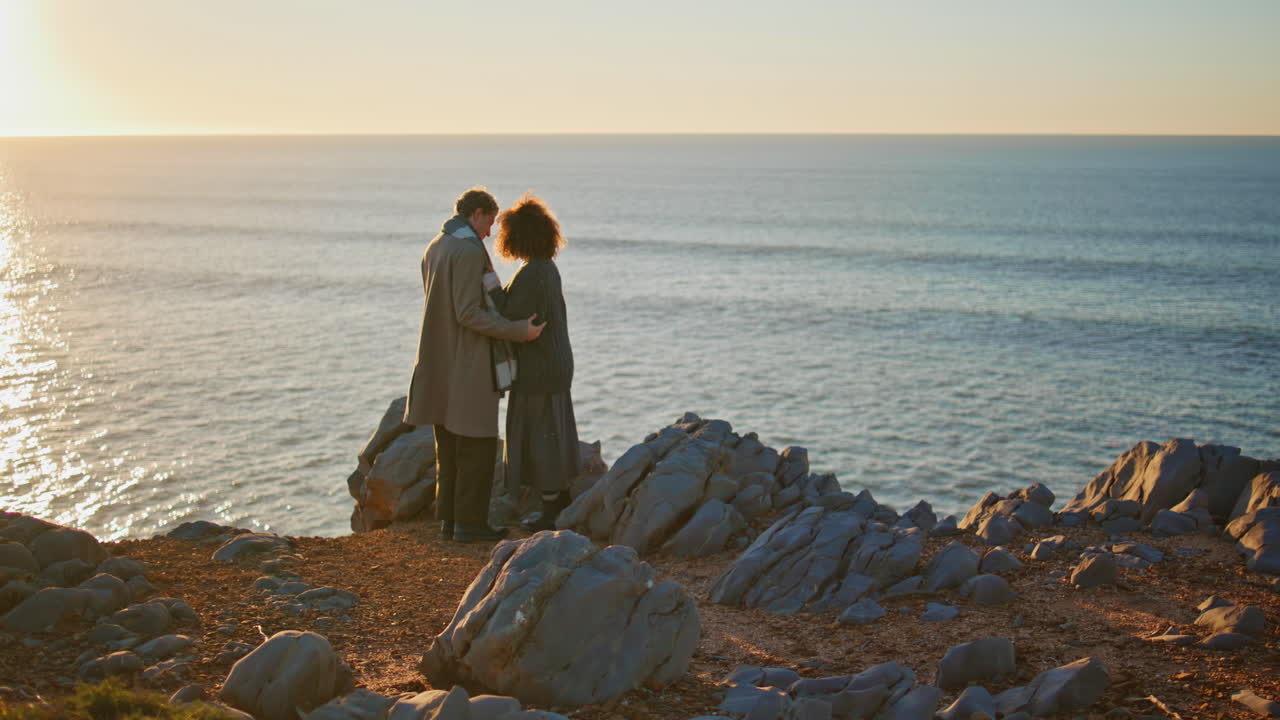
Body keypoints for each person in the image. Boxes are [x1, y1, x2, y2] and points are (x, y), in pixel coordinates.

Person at [404, 187, 545, 543]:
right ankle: (470, 525)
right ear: (478, 214)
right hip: (467, 363)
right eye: (490, 224)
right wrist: (518, 331)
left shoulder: (436, 246)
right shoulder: (467, 251)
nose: (490, 233)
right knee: (478, 446)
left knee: (448, 448)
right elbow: (468, 312)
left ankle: (450, 521)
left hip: (439, 360)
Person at [494, 192, 580, 532]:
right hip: (556, 362)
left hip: (539, 366)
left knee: (539, 436)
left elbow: (510, 315)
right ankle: (557, 501)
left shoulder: (532, 274)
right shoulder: (547, 268)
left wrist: (487, 284)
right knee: (552, 432)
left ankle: (549, 509)